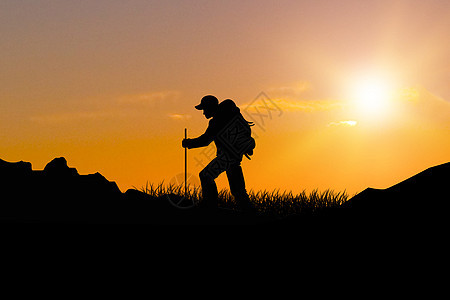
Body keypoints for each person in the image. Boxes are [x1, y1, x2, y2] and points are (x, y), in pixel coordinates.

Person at [182, 95, 256, 213]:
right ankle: (250, 211)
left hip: (226, 156)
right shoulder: (230, 116)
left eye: (204, 109)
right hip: (235, 157)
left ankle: (210, 205)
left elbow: (205, 140)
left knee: (206, 175)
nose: (203, 113)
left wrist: (188, 143)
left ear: (210, 108)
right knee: (238, 189)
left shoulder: (216, 121)